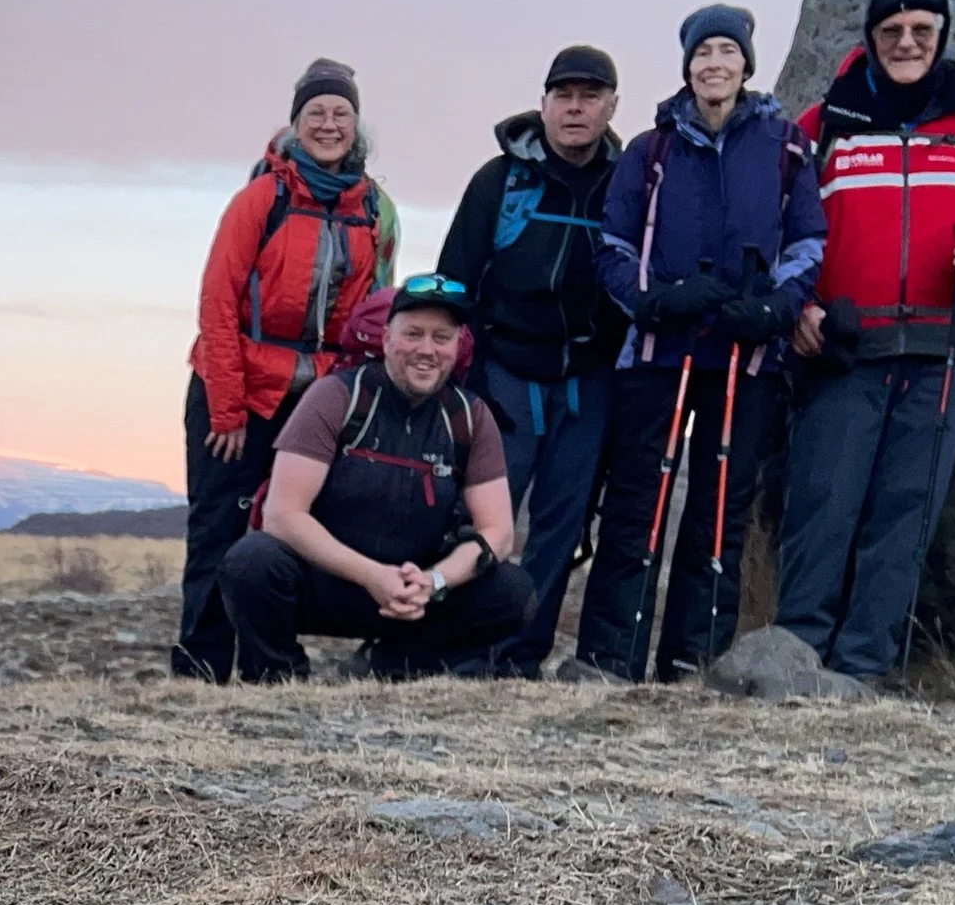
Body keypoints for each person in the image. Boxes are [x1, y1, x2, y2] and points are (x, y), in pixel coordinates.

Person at [776, 0, 955, 679]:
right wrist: (797, 306)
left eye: (922, 30)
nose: (906, 42)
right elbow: (779, 228)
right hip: (842, 345)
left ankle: (865, 667)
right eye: (891, 30)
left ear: (942, 34)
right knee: (824, 507)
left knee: (905, 515)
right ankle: (794, 660)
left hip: (944, 348)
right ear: (870, 35)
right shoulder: (824, 120)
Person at [565, 5, 824, 682]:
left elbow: (807, 241)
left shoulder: (786, 146)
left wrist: (776, 307)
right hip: (657, 354)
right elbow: (614, 244)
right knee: (636, 504)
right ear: (687, 65)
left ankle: (692, 660)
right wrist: (648, 301)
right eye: (702, 51)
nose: (715, 63)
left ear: (746, 63)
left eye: (726, 51)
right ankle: (608, 659)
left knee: (718, 513)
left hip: (746, 358)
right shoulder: (652, 151)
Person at [176, 59, 398, 681]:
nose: (329, 125)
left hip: (313, 399)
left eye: (341, 114)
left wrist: (352, 402)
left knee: (285, 532)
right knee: (219, 529)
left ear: (357, 126)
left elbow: (367, 315)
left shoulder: (371, 208)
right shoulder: (260, 198)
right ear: (295, 124)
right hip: (238, 392)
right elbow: (217, 305)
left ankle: (267, 672)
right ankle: (200, 670)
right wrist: (226, 407)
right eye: (316, 114)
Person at [215, 275, 533, 682]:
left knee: (511, 592)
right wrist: (371, 575)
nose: (427, 350)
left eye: (442, 337)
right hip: (329, 578)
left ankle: (399, 666)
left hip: (416, 591)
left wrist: (435, 581)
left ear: (458, 346)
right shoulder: (336, 397)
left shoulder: (469, 416)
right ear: (385, 339)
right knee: (251, 562)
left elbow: (498, 533)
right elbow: (282, 515)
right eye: (413, 334)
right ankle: (277, 677)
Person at [436, 45, 627, 676]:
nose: (576, 108)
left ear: (611, 106)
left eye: (590, 96)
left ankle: (520, 656)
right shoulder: (499, 180)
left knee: (561, 530)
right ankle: (462, 651)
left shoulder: (626, 185)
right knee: (485, 524)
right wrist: (463, 383)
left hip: (588, 382)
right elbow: (455, 281)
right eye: (564, 95)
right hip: (505, 378)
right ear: (542, 104)